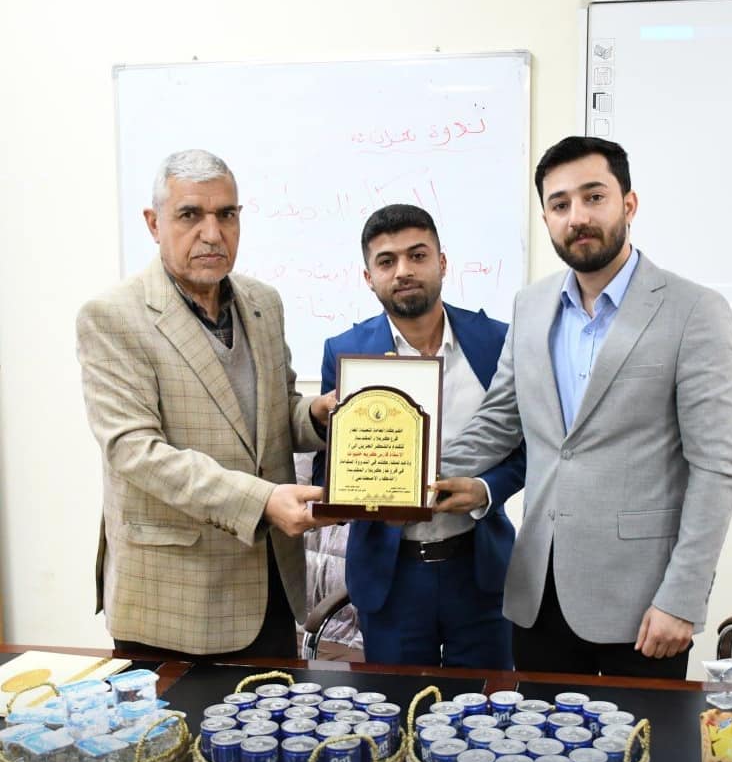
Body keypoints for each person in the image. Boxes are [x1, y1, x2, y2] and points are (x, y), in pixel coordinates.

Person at [434, 136, 732, 678]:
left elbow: (716, 470)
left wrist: (682, 597)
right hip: (538, 595)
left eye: (593, 197)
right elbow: (498, 423)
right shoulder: (530, 306)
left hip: (643, 606)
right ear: (547, 219)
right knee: (535, 733)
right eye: (560, 204)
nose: (577, 216)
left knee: (644, 737)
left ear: (629, 203)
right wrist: (401, 475)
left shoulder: (694, 310)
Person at [76, 149, 337, 658]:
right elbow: (136, 452)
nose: (212, 233)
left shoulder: (263, 303)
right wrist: (261, 501)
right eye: (190, 215)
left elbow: (274, 415)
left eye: (226, 214)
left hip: (271, 587)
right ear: (154, 223)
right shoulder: (112, 316)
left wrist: (318, 416)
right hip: (172, 603)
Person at [315, 204, 524, 668]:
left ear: (442, 263)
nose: (403, 271)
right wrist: (368, 501)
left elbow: (526, 447)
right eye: (386, 261)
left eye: (417, 255)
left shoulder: (498, 342)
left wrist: (486, 490)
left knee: (486, 705)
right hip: (391, 580)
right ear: (369, 277)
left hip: (481, 569)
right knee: (399, 704)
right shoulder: (344, 352)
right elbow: (326, 467)